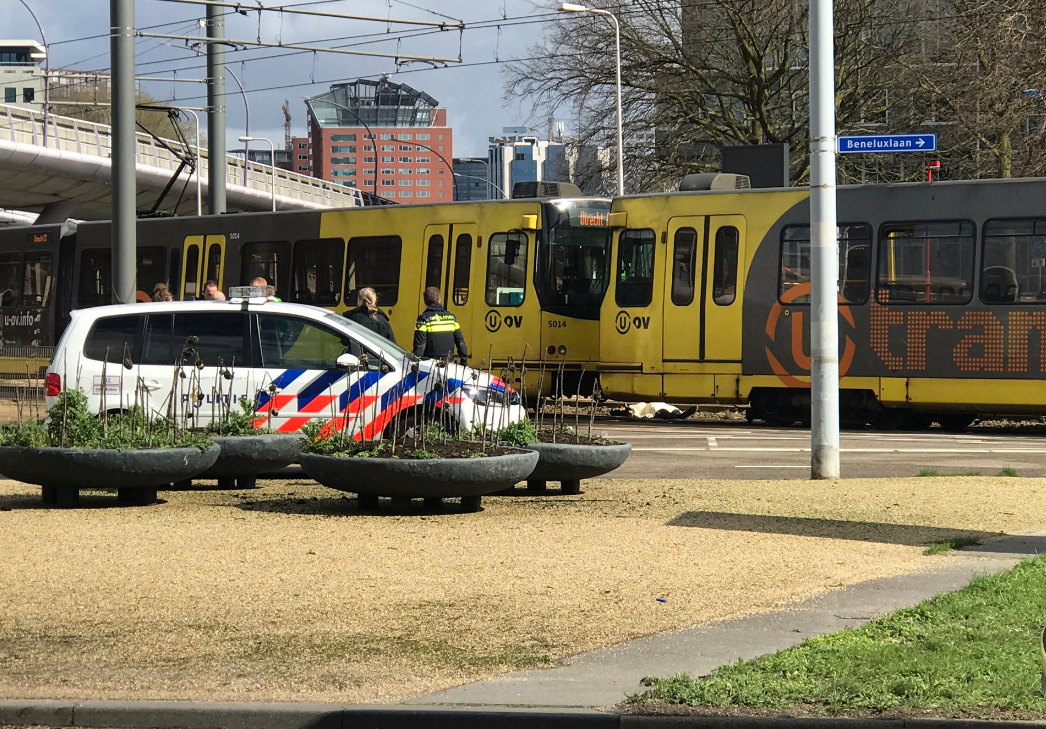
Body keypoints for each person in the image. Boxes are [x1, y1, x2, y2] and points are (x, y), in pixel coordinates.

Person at [413, 286, 468, 362]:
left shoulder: (424, 319)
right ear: (439, 300)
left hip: (431, 365)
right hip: (449, 364)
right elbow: (461, 343)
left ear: (425, 302)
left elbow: (420, 346)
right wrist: (464, 361)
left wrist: (415, 362)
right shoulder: (451, 318)